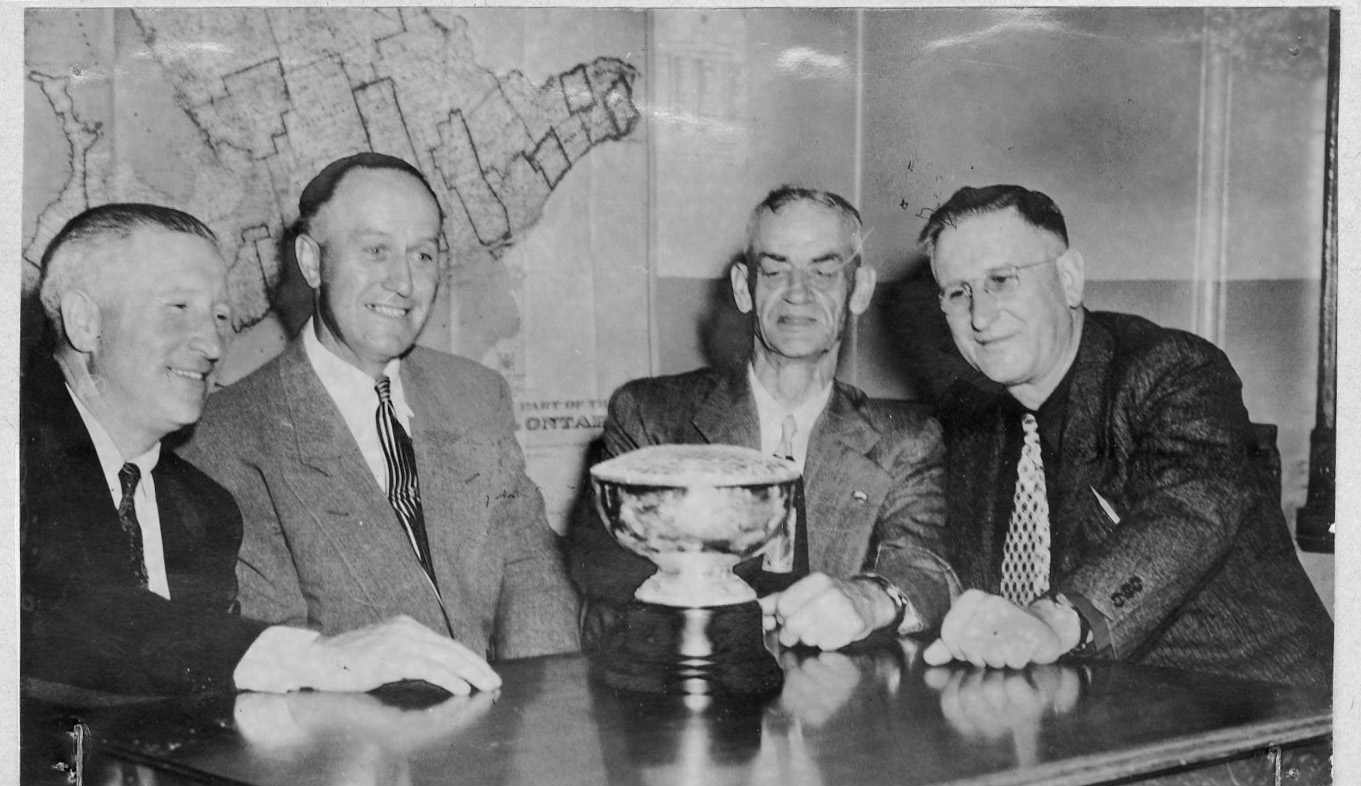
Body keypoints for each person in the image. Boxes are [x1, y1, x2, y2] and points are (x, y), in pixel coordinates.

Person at [22, 202, 502, 697]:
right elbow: (64, 616)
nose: (211, 343)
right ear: (83, 321)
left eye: (221, 316)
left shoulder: (205, 509)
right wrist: (310, 657)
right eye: (178, 308)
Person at [917, 184, 1332, 686]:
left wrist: (1058, 618)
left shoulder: (1169, 370)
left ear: (1068, 279)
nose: (980, 317)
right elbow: (938, 554)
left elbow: (1192, 507)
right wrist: (883, 599)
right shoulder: (971, 417)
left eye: (1001, 280)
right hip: (1085, 712)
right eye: (958, 293)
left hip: (1265, 711)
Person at [185, 154, 578, 661]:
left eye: (423, 256)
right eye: (375, 250)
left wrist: (540, 708)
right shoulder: (230, 435)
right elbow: (282, 650)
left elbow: (531, 573)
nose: (404, 283)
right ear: (311, 261)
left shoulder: (477, 395)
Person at [569, 185, 955, 651]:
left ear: (861, 290)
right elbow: (608, 584)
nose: (798, 293)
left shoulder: (905, 440)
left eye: (825, 271)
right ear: (743, 288)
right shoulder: (651, 417)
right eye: (774, 270)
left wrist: (866, 599)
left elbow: (925, 567)